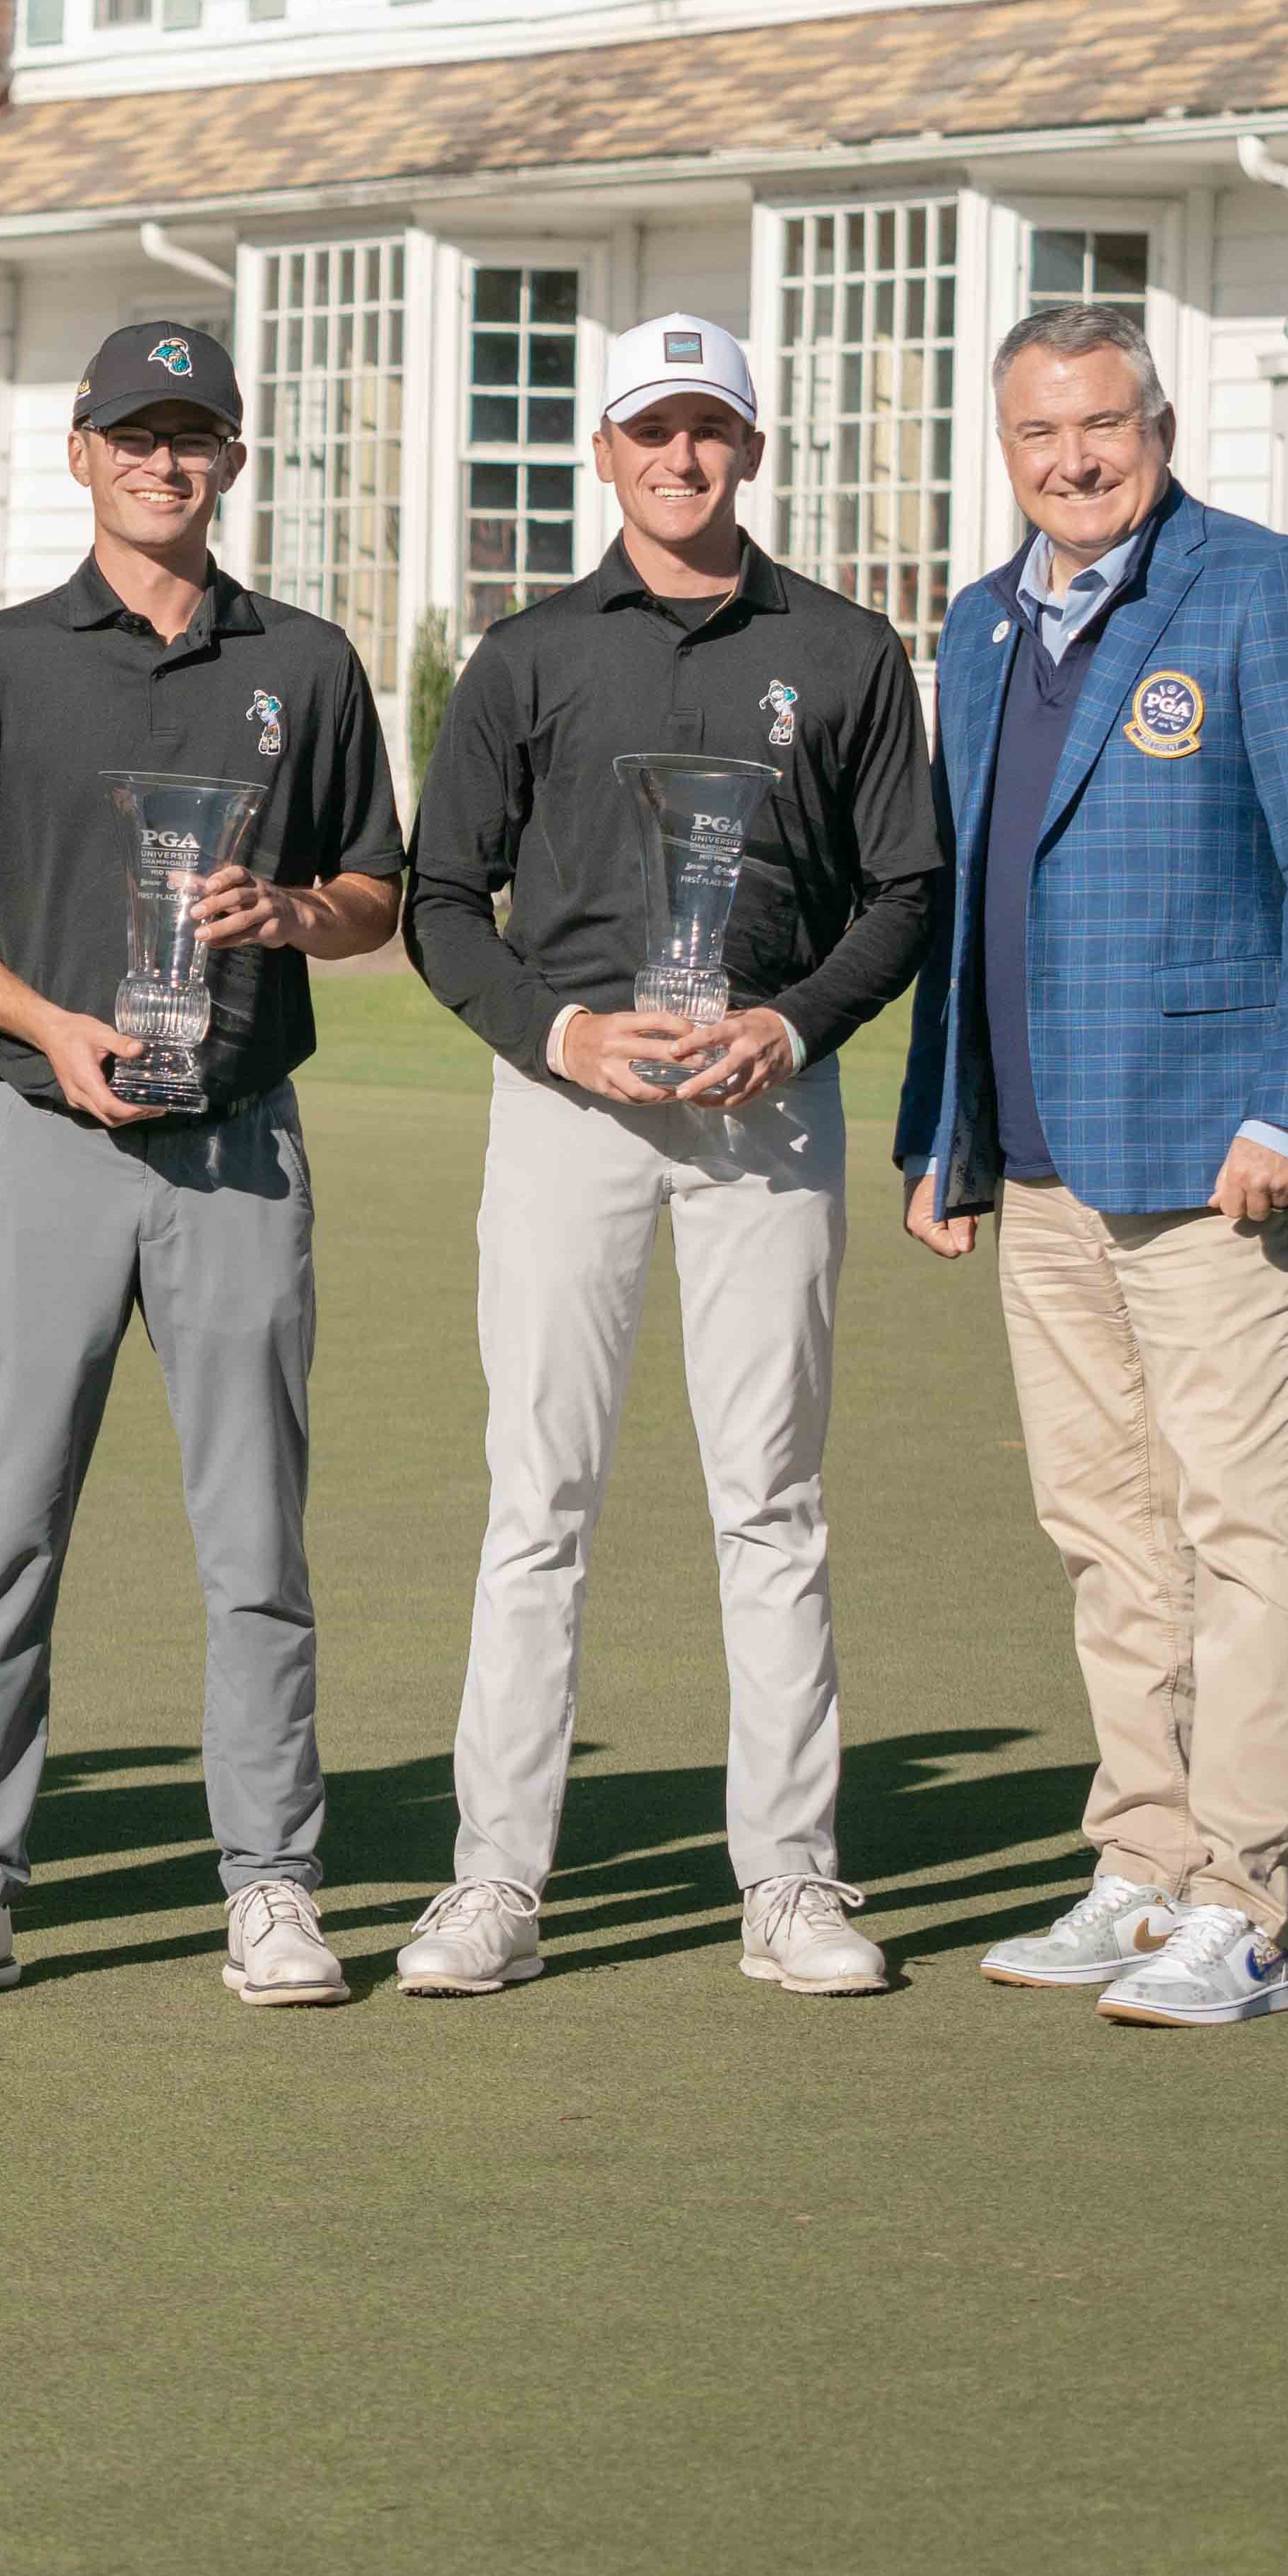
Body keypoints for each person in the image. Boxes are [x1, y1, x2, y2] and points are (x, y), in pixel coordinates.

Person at [396, 313, 937, 2004]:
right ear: (606, 452)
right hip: (569, 1108)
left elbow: (907, 889)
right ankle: (495, 1878)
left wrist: (795, 1023)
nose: (679, 458)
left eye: (708, 430)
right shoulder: (527, 655)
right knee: (534, 1501)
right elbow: (434, 901)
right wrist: (558, 1037)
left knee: (766, 1499)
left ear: (751, 452)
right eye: (651, 431)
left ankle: (788, 1876)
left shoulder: (845, 653)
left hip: (763, 1105)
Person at [0, 316, 402, 2009]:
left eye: (196, 435)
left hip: (240, 1147)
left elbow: (375, 894)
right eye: (135, 433)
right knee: (3, 1530)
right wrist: (51, 1026)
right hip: (44, 1141)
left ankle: (271, 1880)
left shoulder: (305, 665)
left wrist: (291, 911)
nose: (165, 461)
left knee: (254, 1537)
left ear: (233, 460)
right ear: (82, 453)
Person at [900, 304, 1288, 2027]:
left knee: (1247, 1532)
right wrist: (946, 1132)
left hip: (1211, 1159)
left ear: (1160, 424)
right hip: (1037, 1164)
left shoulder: (1265, 592)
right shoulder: (976, 625)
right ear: (1006, 446)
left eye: (1101, 425)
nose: (1072, 459)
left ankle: (1246, 1909)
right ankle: (1142, 1861)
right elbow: (968, 900)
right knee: (1106, 1535)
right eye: (1039, 434)